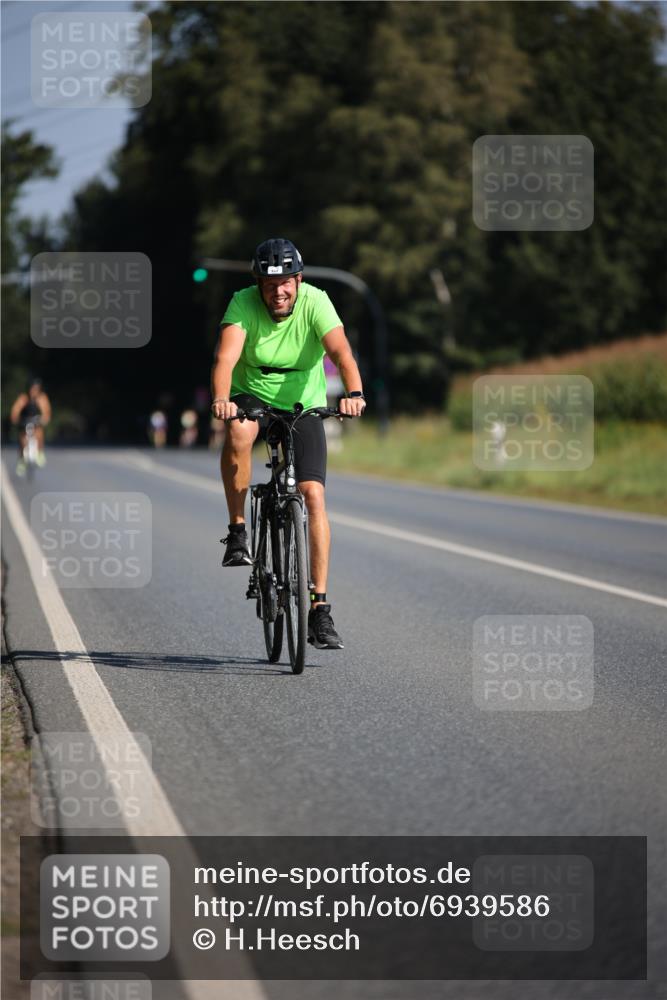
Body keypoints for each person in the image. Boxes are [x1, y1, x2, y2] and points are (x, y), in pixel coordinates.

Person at [210, 238, 366, 650]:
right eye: (269, 284)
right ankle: (239, 531)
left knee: (312, 495)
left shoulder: (317, 301)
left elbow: (341, 351)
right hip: (252, 395)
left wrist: (355, 392)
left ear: (298, 281)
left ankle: (319, 608)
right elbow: (225, 360)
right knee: (240, 432)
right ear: (258, 285)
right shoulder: (242, 304)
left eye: (286, 284)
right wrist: (222, 400)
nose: (278, 292)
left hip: (303, 402)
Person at [10, 377, 51, 475]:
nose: (34, 391)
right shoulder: (24, 398)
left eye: (36, 389)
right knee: (22, 438)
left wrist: (45, 418)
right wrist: (15, 418)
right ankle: (22, 460)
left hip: (36, 421)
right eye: (32, 388)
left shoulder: (42, 398)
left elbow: (46, 411)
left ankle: (40, 452)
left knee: (39, 433)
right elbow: (16, 410)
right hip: (25, 421)